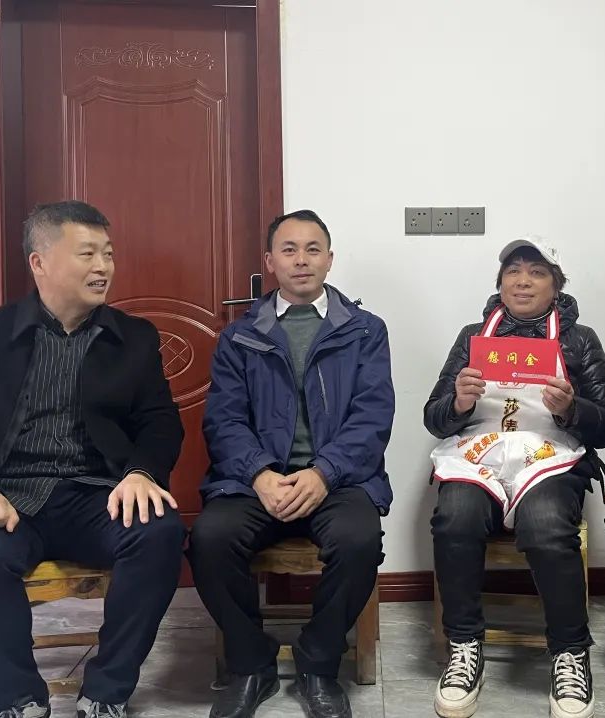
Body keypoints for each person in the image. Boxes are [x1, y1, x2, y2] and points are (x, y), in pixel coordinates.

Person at [0, 200, 186, 718]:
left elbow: (160, 423)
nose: (103, 267)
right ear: (39, 263)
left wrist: (141, 472)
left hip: (95, 495)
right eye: (87, 254)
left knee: (159, 532)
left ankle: (107, 691)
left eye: (108, 254)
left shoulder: (133, 338)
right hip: (4, 497)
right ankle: (18, 698)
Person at [188, 209, 394, 718]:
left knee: (359, 540)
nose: (301, 260)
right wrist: (260, 474)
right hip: (255, 483)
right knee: (209, 539)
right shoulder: (239, 336)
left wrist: (324, 472)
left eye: (312, 249)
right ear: (270, 261)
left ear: (330, 259)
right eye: (289, 250)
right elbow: (224, 420)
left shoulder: (365, 331)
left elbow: (372, 417)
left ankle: (318, 663)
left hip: (338, 481)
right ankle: (251, 665)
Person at [424, 236, 605, 718]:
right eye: (513, 271)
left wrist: (571, 408)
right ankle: (464, 646)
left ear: (557, 286)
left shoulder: (579, 339)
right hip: (479, 454)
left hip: (549, 456)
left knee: (547, 523)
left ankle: (570, 652)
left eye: (537, 272)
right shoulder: (474, 336)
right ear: (499, 284)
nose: (523, 281)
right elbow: (433, 417)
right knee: (454, 516)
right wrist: (459, 403)